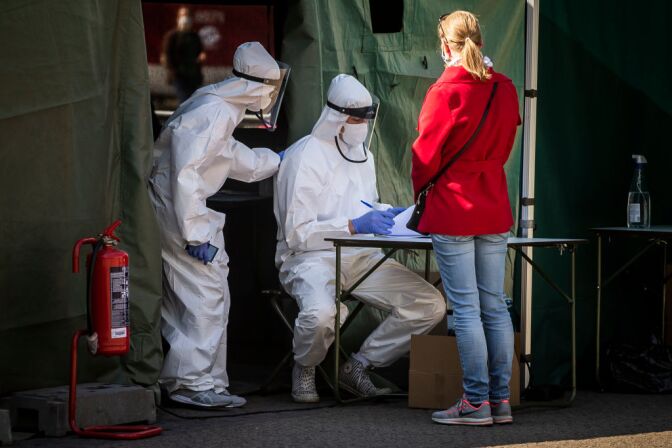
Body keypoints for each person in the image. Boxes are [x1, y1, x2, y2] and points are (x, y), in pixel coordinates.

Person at [275, 74, 446, 403]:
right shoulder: (303, 157)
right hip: (310, 259)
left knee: (429, 304)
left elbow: (363, 204)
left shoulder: (362, 156)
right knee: (322, 314)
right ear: (336, 117)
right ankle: (305, 366)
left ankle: (358, 365)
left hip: (361, 256)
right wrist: (353, 226)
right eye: (357, 118)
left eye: (367, 117)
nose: (362, 125)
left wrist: (392, 213)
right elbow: (297, 234)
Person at [149, 42, 289, 408]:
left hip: (182, 212)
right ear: (257, 85)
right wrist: (194, 233)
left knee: (208, 297)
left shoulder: (217, 104)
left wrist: (275, 160)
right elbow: (186, 174)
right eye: (271, 88)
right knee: (202, 299)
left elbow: (228, 155)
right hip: (181, 215)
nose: (273, 95)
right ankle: (190, 384)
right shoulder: (214, 111)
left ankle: (205, 380)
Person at [411, 11, 521, 426]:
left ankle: (475, 403)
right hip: (493, 204)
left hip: (453, 208)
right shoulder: (506, 87)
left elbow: (424, 158)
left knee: (467, 310)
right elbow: (506, 143)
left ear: (445, 46)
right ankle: (500, 401)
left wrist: (420, 193)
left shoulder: (444, 90)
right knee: (494, 307)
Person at [161, 7, 206, 103]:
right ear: (178, 18)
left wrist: (201, 57)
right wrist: (174, 72)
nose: (185, 18)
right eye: (183, 15)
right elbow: (166, 56)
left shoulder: (194, 36)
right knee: (184, 101)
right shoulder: (172, 36)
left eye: (187, 15)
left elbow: (200, 51)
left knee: (193, 101)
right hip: (179, 76)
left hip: (193, 76)